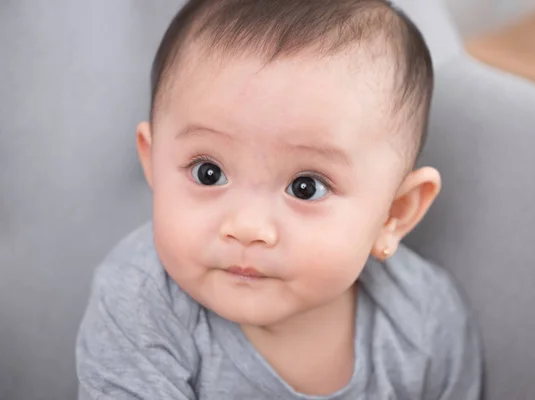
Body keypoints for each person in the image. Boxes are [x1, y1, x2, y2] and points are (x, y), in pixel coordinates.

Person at [76, 0, 482, 398]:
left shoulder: (425, 321)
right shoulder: (139, 304)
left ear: (394, 213)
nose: (248, 227)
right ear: (154, 161)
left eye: (306, 187)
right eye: (208, 172)